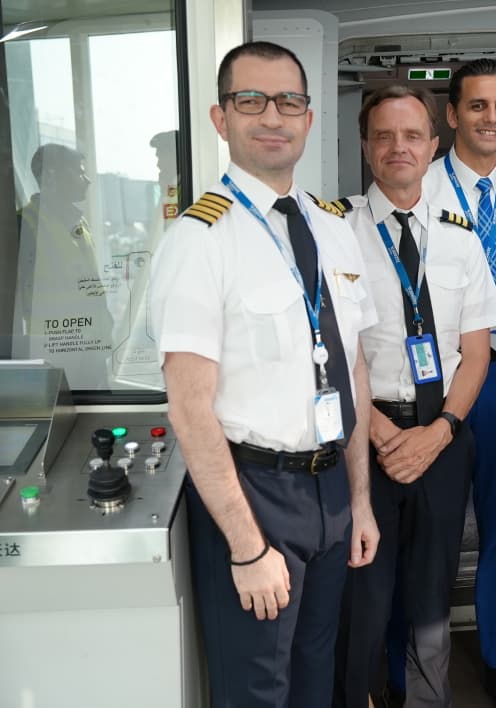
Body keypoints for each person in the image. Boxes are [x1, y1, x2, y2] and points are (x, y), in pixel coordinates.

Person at [150, 40, 378, 707]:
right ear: (221, 118)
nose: (272, 116)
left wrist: (359, 501)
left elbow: (354, 367)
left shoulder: (333, 226)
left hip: (331, 490)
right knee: (259, 690)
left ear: (309, 117)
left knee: (315, 679)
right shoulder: (200, 240)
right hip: (254, 493)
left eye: (288, 101)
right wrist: (247, 547)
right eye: (251, 100)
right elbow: (189, 407)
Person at [332, 84, 496, 708]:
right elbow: (331, 348)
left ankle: (428, 701)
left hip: (443, 435)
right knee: (365, 593)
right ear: (365, 147)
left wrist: (441, 431)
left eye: (412, 135)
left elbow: (476, 352)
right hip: (365, 437)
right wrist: (381, 434)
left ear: (433, 145)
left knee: (433, 595)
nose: (398, 147)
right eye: (384, 135)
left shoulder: (461, 236)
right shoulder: (336, 231)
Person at [419, 58, 496, 708]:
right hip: (441, 381)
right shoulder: (422, 188)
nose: (491, 118)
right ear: (452, 114)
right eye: (477, 105)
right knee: (431, 530)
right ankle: (415, 665)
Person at [14, 143, 114, 389]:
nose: (87, 180)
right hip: (56, 349)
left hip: (91, 347)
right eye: (79, 172)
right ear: (51, 176)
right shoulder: (24, 225)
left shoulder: (78, 223)